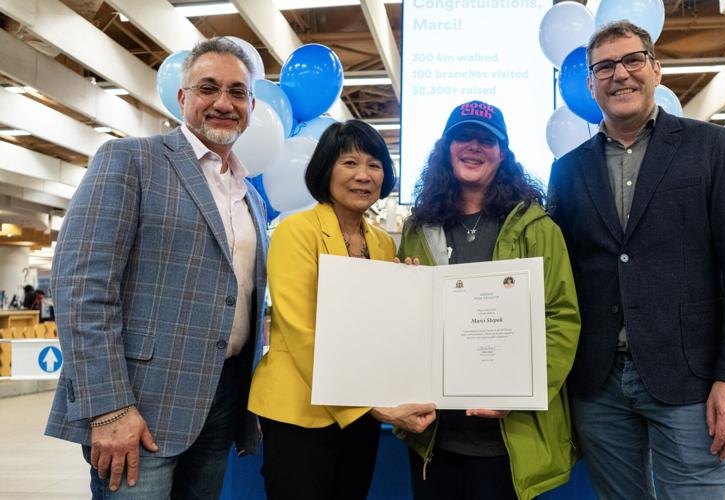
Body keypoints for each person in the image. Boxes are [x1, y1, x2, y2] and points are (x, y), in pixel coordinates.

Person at [547, 21, 725, 500]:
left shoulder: (710, 148)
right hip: (598, 383)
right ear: (590, 83)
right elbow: (555, 276)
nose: (619, 74)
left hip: (692, 379)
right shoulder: (566, 171)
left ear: (655, 68)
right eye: (604, 66)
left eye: (632, 60)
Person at [45, 37, 269, 499]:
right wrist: (108, 408)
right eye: (208, 88)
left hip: (220, 401)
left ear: (251, 104)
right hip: (137, 409)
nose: (223, 102)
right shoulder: (130, 160)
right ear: (183, 98)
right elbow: (81, 288)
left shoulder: (252, 198)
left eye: (237, 91)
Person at [398, 100, 581, 499]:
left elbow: (562, 318)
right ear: (446, 148)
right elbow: (401, 324)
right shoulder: (420, 227)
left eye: (487, 139)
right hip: (435, 437)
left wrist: (524, 389)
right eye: (463, 136)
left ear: (503, 154)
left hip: (509, 439)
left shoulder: (537, 228)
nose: (474, 146)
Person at [248, 120, 436, 500]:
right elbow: (302, 333)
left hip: (359, 419)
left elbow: (379, 329)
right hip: (300, 414)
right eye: (349, 163)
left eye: (374, 165)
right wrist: (369, 405)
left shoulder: (382, 244)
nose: (363, 176)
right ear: (325, 170)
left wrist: (408, 291)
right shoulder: (296, 232)